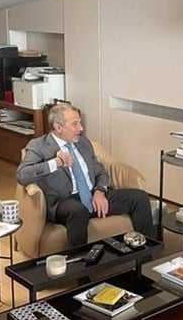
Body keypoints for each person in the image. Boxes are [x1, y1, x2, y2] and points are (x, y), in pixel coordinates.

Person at [17, 103, 154, 247]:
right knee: (78, 211)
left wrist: (100, 191)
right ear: (58, 127)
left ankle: (146, 253)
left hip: (93, 195)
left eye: (80, 123)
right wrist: (56, 163)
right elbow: (22, 175)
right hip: (64, 201)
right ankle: (79, 260)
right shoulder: (39, 146)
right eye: (75, 124)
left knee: (140, 198)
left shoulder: (83, 143)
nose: (81, 128)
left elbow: (101, 172)